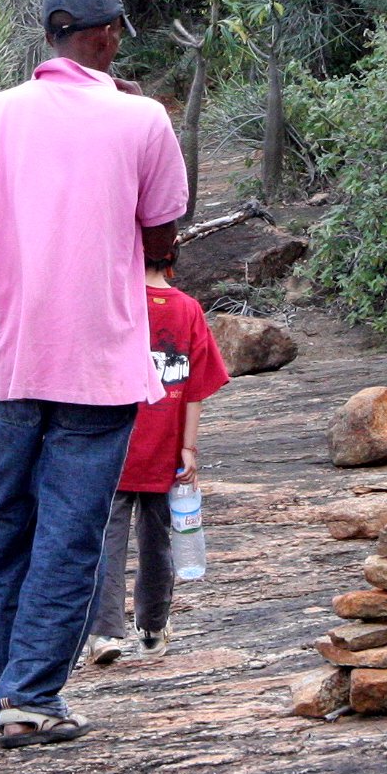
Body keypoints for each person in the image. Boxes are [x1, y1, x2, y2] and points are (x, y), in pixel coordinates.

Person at [0, 0, 189, 747]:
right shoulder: (142, 117)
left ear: (50, 34)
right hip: (95, 355)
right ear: (105, 35)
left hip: (13, 353)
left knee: (7, 517)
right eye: (119, 30)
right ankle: (33, 695)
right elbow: (161, 232)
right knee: (71, 528)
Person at [84, 242, 230, 666]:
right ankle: (151, 628)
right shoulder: (187, 310)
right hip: (165, 449)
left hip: (112, 446)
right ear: (171, 261)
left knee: (105, 541)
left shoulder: (117, 304)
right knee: (157, 540)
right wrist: (188, 447)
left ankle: (103, 632)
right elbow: (196, 388)